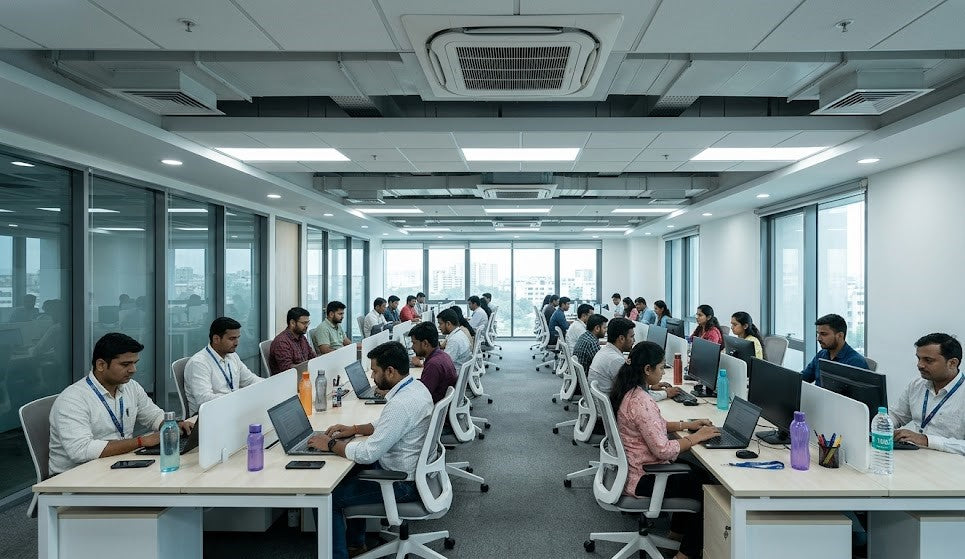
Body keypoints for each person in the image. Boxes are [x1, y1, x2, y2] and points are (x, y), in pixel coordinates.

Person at [306, 342, 433, 559]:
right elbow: (388, 424)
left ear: (390, 371)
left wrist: (328, 444)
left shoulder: (400, 404)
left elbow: (368, 454)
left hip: (401, 483)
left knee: (327, 497)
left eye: (375, 371)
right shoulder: (416, 388)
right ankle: (356, 544)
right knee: (351, 473)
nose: (373, 376)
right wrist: (354, 429)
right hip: (412, 472)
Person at [611, 341, 720, 559]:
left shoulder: (632, 392)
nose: (663, 372)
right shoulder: (642, 401)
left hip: (635, 469)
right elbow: (663, 450)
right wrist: (695, 437)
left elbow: (653, 426)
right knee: (707, 487)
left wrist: (686, 425)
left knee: (696, 473)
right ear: (647, 370)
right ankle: (685, 554)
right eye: (661, 367)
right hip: (645, 476)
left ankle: (675, 535)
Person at [48, 333, 193, 475]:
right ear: (101, 365)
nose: (133, 370)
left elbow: (153, 416)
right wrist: (141, 441)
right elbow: (81, 450)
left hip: (116, 464)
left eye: (135, 363)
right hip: (74, 479)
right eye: (125, 364)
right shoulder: (73, 399)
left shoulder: (131, 387)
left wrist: (173, 425)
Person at [890, 333, 965, 455]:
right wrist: (882, 425)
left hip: (951, 464)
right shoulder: (917, 384)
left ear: (952, 363)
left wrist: (926, 440)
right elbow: (897, 416)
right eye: (919, 358)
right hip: (917, 456)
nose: (920, 365)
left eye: (928, 360)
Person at [184, 317, 263, 416]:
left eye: (238, 338)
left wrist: (269, 385)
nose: (236, 343)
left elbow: (250, 380)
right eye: (232, 339)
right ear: (216, 339)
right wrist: (238, 399)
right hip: (209, 416)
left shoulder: (232, 356)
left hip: (232, 409)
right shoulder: (199, 363)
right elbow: (204, 399)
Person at [801, 313, 868, 384]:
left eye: (824, 334)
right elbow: (803, 378)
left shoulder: (856, 363)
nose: (818, 338)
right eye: (818, 334)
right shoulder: (821, 354)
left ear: (840, 336)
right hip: (817, 395)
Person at [409, 322, 458, 404]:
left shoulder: (433, 365)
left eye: (414, 343)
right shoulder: (442, 355)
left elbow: (421, 396)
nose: (412, 347)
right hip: (442, 406)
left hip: (433, 408)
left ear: (425, 344)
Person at [588, 317, 636, 395]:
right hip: (611, 405)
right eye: (632, 336)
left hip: (600, 403)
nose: (634, 340)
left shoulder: (604, 351)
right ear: (621, 338)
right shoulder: (616, 360)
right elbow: (633, 394)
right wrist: (662, 393)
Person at [268, 307, 316, 375]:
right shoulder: (281, 342)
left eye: (308, 323)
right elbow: (288, 369)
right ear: (292, 323)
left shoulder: (301, 337)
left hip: (303, 375)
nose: (306, 326)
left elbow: (312, 356)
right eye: (304, 323)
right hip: (287, 380)